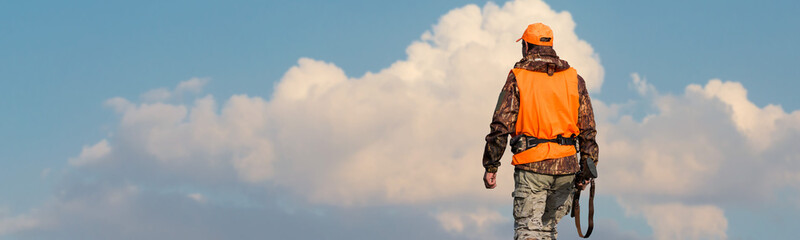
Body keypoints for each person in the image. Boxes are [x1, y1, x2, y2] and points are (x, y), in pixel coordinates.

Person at [481, 23, 599, 240]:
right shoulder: (574, 79)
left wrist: (491, 165)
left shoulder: (518, 76)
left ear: (526, 46)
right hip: (567, 167)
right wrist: (586, 170)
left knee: (529, 233)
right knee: (547, 232)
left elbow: (500, 125)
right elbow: (588, 130)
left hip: (532, 165)